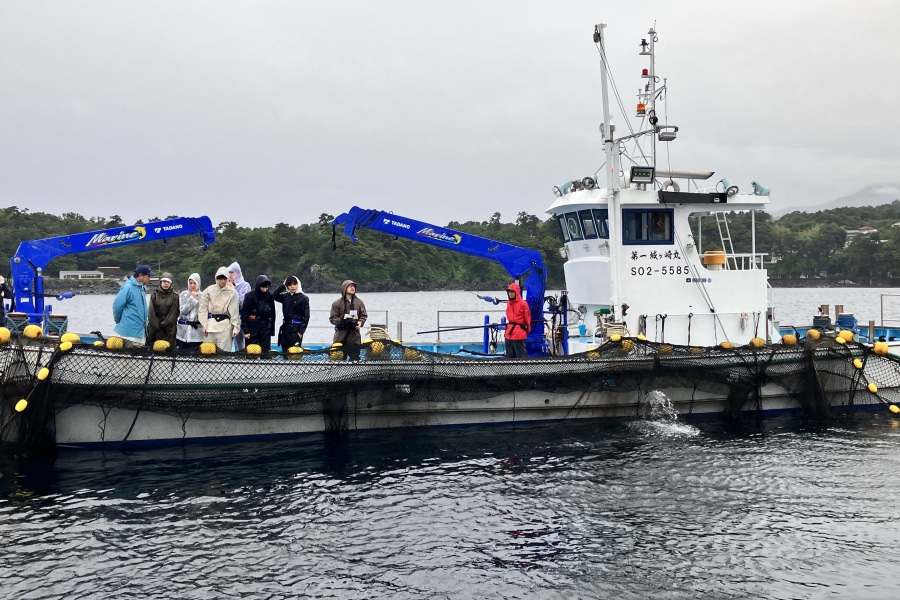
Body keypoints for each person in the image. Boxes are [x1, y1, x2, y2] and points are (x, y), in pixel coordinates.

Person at [199, 266, 240, 352]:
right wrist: (204, 325)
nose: (223, 281)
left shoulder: (233, 293)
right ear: (216, 278)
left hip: (225, 326)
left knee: (223, 354)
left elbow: (234, 312)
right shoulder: (208, 291)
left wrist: (236, 327)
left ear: (228, 279)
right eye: (220, 279)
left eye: (225, 279)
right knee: (207, 353)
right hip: (210, 325)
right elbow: (202, 310)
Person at [112, 265, 152, 345]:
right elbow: (117, 306)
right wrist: (118, 320)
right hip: (128, 332)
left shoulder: (142, 288)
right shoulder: (128, 287)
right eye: (148, 276)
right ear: (140, 275)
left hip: (140, 331)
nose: (149, 279)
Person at [329, 279, 367, 360]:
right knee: (339, 359)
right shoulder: (337, 303)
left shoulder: (359, 302)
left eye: (354, 286)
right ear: (344, 288)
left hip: (354, 336)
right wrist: (342, 321)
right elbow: (332, 318)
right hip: (341, 335)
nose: (352, 288)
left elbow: (363, 315)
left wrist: (360, 322)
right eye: (350, 286)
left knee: (355, 359)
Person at [273, 275, 310, 352]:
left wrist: (301, 331)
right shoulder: (285, 297)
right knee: (285, 352)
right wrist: (283, 285)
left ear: (298, 284)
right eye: (290, 285)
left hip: (296, 329)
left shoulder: (303, 298)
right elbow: (274, 295)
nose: (292, 287)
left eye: (294, 284)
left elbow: (306, 316)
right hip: (285, 328)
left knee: (295, 353)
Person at [241, 275, 277, 353]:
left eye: (267, 287)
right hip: (252, 327)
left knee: (266, 352)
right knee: (251, 353)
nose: (265, 289)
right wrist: (245, 331)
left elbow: (273, 314)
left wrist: (272, 330)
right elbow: (244, 314)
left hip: (265, 327)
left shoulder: (269, 296)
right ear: (258, 286)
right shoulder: (249, 296)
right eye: (263, 287)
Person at [147, 272, 179, 348]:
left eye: (168, 282)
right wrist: (157, 324)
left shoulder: (175, 296)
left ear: (171, 283)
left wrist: (164, 324)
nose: (166, 284)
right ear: (161, 282)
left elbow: (174, 313)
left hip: (169, 329)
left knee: (168, 351)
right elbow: (151, 312)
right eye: (164, 281)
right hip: (155, 328)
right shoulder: (154, 295)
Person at [503, 281, 532, 359]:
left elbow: (527, 319)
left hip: (518, 334)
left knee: (521, 357)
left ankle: (524, 370)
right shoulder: (509, 303)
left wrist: (525, 331)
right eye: (509, 292)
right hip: (509, 333)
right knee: (509, 357)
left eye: (512, 292)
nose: (510, 294)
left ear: (517, 292)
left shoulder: (523, 304)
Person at [177, 273, 204, 350]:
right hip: (183, 331)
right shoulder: (183, 295)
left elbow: (203, 312)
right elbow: (183, 311)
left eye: (195, 283)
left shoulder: (203, 296)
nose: (192, 285)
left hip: (197, 331)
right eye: (190, 283)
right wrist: (192, 298)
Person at [228, 262, 251, 351]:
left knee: (240, 342)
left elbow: (242, 302)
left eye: (232, 273)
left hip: (241, 318)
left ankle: (240, 357)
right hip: (228, 318)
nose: (230, 276)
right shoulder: (225, 286)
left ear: (238, 273)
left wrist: (233, 290)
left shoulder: (245, 285)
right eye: (229, 274)